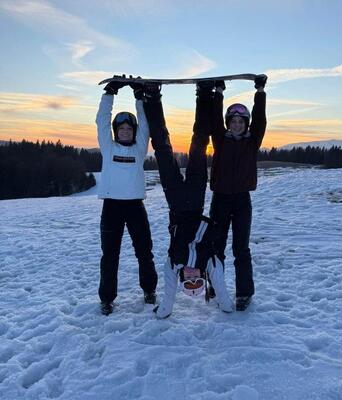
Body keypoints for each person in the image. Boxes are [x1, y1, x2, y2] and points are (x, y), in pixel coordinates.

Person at [141, 81, 234, 319]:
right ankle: (204, 95)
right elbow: (223, 295)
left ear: (182, 278)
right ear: (203, 277)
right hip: (195, 197)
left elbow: (167, 300)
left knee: (162, 148)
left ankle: (153, 98)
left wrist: (163, 313)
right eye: (197, 281)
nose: (192, 277)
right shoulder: (209, 263)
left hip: (175, 200)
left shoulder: (174, 264)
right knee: (198, 144)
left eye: (188, 281)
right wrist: (225, 305)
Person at [95, 76, 158, 316]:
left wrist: (139, 97)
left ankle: (149, 290)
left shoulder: (139, 148)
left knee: (144, 251)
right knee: (110, 255)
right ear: (115, 131)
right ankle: (107, 299)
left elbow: (145, 123)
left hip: (135, 207)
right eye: (121, 129)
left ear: (134, 132)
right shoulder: (108, 147)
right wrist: (109, 93)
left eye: (129, 129)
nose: (124, 132)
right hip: (111, 208)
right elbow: (102, 121)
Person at [209, 74, 267, 311]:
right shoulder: (219, 140)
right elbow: (214, 119)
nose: (236, 125)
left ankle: (244, 293)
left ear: (246, 123)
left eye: (241, 121)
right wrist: (218, 93)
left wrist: (260, 91)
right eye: (232, 121)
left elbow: (261, 119)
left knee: (241, 248)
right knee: (216, 247)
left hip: (242, 200)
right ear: (227, 123)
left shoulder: (252, 142)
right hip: (220, 200)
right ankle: (216, 286)